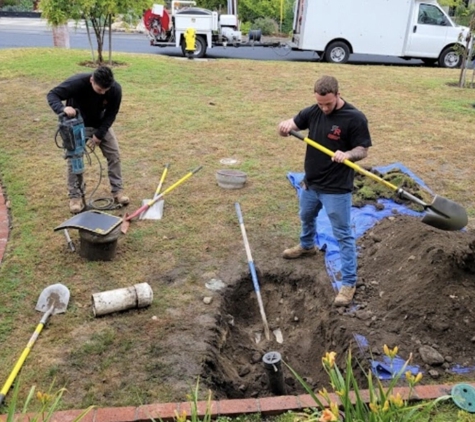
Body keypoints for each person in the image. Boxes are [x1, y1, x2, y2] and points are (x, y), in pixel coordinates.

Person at [277, 75, 372, 306]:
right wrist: (286, 125)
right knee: (306, 216)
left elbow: (363, 149)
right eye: (320, 103)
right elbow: (295, 122)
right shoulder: (314, 110)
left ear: (338, 95)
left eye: (328, 103)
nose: (324, 108)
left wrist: (348, 154)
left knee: (342, 234)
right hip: (311, 182)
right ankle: (307, 246)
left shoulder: (354, 118)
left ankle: (348, 283)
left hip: (336, 189)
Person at [47, 65, 129, 214]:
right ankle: (75, 197)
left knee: (114, 155)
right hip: (77, 125)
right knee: (75, 160)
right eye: (99, 90)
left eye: (106, 90)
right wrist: (62, 109)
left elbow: (111, 113)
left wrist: (99, 134)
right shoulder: (77, 82)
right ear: (92, 80)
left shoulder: (115, 89)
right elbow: (52, 95)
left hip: (100, 125)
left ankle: (118, 192)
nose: (103, 93)